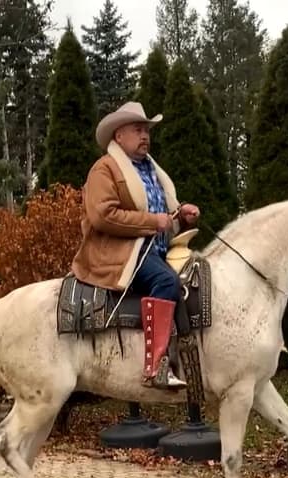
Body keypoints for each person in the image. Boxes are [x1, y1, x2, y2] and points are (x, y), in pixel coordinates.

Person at [71, 101, 201, 388]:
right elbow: (103, 216)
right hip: (117, 253)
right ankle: (156, 366)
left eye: (147, 131)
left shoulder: (150, 170)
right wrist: (154, 222)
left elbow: (161, 217)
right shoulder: (103, 170)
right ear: (119, 136)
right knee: (166, 282)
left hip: (152, 250)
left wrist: (181, 216)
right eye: (138, 130)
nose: (145, 136)